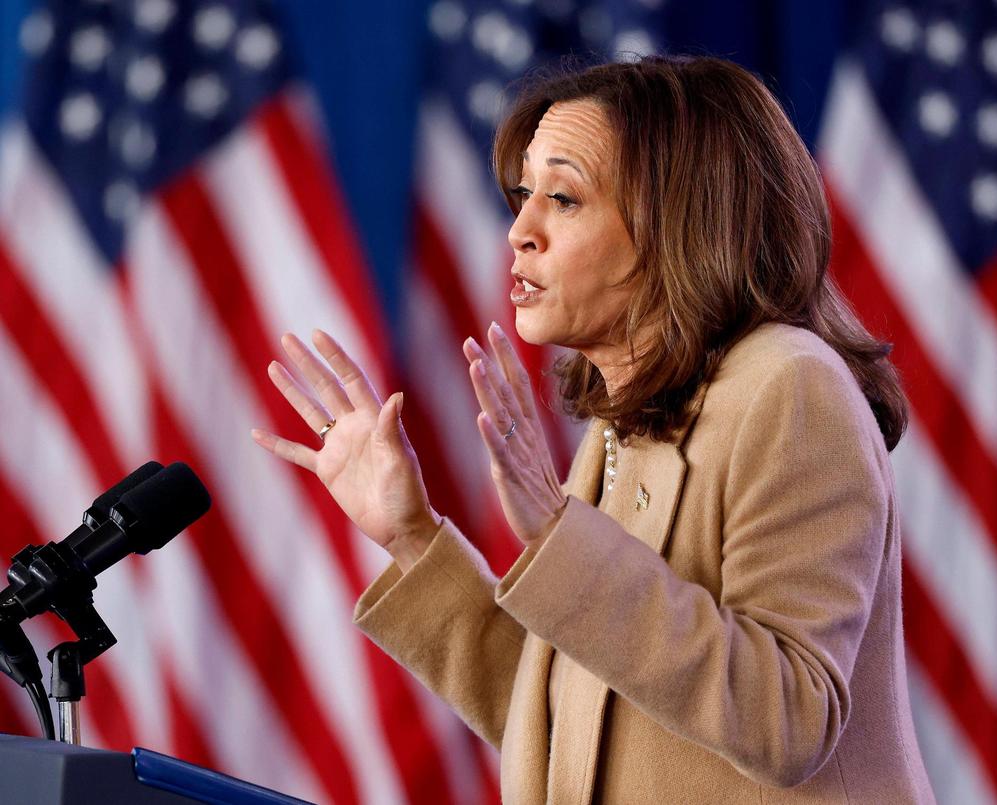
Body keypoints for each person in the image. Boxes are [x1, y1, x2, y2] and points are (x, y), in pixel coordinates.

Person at [251, 55, 935, 804]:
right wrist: (412, 534)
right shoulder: (631, 421)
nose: (519, 232)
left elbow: (790, 717)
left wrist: (558, 533)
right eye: (522, 195)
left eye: (565, 198)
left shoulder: (788, 386)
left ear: (680, 219)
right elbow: (568, 729)